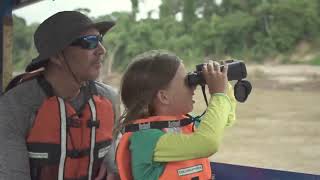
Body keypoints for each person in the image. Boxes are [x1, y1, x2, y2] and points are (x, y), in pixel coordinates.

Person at [0, 11, 120, 180]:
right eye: (90, 42)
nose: (102, 50)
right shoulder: (14, 108)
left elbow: (112, 169)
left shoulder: (108, 98)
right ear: (57, 56)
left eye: (100, 40)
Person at [115, 50, 237, 180]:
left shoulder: (185, 125)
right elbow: (208, 143)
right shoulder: (145, 138)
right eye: (187, 81)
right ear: (164, 97)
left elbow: (225, 118)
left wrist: (224, 84)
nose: (193, 86)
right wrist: (218, 94)